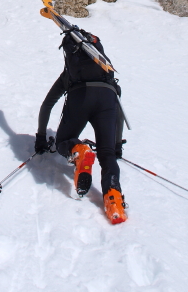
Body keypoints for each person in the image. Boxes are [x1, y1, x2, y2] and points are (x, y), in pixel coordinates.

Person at [34, 26, 127, 224]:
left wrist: (41, 137)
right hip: (108, 100)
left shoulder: (70, 74)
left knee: (63, 142)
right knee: (107, 154)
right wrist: (116, 145)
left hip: (80, 96)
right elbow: (118, 112)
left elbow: (47, 104)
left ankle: (79, 149)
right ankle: (114, 199)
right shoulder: (105, 70)